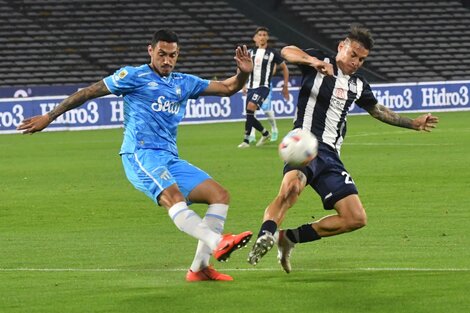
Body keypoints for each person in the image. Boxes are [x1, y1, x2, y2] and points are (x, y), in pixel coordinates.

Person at [17, 29, 254, 282]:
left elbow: (229, 87)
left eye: (172, 55)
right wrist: (49, 117)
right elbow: (87, 92)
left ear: (178, 55)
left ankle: (200, 268)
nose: (166, 60)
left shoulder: (184, 82)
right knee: (173, 198)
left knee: (220, 195)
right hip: (140, 154)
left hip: (169, 157)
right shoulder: (132, 76)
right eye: (161, 54)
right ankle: (218, 241)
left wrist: (244, 73)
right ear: (150, 51)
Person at [247, 24, 439, 272]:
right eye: (353, 55)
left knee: (355, 218)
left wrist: (413, 123)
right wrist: (313, 61)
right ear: (341, 47)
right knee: (291, 189)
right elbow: (287, 51)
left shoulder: (358, 84)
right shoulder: (319, 61)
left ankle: (289, 238)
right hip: (303, 142)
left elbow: (377, 110)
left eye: (362, 59)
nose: (357, 62)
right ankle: (267, 234)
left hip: (330, 156)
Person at [238, 26, 289, 148]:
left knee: (251, 107)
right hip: (251, 86)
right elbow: (241, 67)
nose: (262, 37)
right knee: (249, 113)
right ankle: (265, 133)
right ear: (255, 38)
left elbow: (284, 68)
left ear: (267, 37)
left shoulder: (272, 53)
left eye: (264, 35)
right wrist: (242, 83)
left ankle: (246, 140)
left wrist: (285, 85)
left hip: (263, 86)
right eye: (260, 35)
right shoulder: (250, 53)